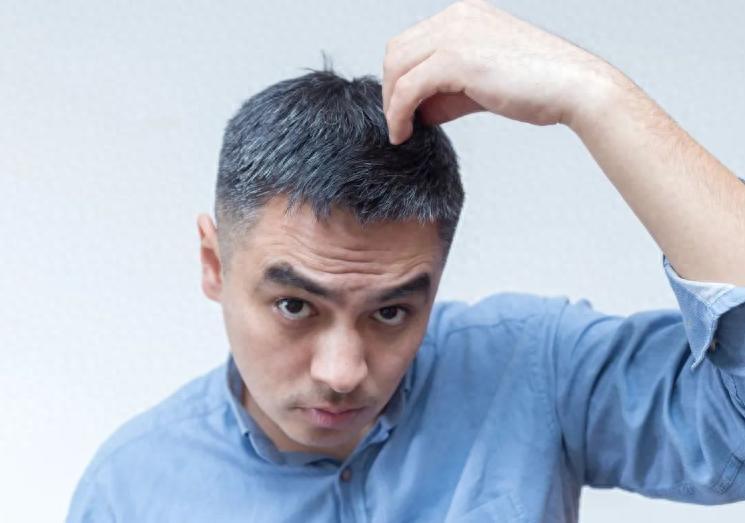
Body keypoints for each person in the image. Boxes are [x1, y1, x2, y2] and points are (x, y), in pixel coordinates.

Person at [67, 0, 745, 521]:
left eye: (390, 312)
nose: (342, 373)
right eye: (295, 306)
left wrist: (594, 94)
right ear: (213, 264)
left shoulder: (533, 369)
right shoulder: (129, 493)